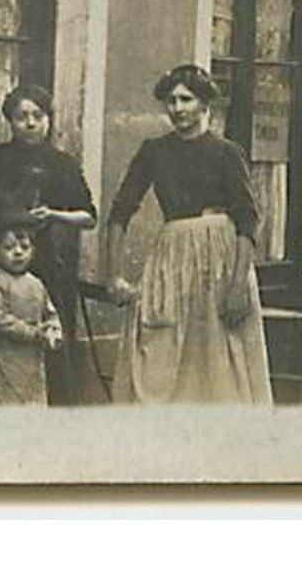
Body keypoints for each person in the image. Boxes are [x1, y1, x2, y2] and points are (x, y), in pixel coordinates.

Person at [104, 63, 273, 404]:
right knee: (160, 352)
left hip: (221, 263)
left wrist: (238, 284)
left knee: (221, 358)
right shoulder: (153, 152)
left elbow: (246, 221)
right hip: (173, 261)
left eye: (186, 99)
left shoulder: (226, 153)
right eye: (171, 100)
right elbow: (120, 213)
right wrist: (114, 275)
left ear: (205, 105)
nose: (177, 108)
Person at [0, 84, 97, 404]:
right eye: (21, 117)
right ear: (11, 121)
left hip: (44, 261)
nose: (30, 123)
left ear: (48, 119)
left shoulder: (63, 164)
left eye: (38, 115)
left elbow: (88, 216)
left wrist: (56, 214)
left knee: (46, 335)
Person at [0, 213, 64, 406]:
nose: (18, 252)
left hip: (31, 360)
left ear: (33, 251)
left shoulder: (36, 284)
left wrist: (54, 330)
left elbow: (49, 312)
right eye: (9, 247)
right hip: (3, 357)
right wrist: (32, 332)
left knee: (29, 400)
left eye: (24, 247)